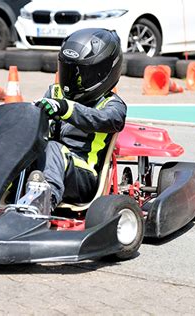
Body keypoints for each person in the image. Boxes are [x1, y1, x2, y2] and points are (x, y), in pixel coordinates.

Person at [30, 28, 127, 213]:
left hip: (84, 176)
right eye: (69, 71)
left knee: (52, 148)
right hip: (48, 165)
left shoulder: (113, 105)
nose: (72, 80)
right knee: (21, 144)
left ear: (102, 73)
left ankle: (44, 203)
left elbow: (103, 119)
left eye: (81, 74)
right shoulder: (54, 93)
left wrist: (66, 109)